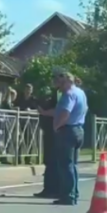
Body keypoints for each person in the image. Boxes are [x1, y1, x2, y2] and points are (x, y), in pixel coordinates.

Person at [51, 71, 88, 206]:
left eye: (60, 82)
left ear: (66, 81)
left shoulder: (68, 94)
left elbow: (65, 112)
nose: (58, 85)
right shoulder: (80, 93)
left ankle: (68, 196)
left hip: (67, 131)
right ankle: (74, 193)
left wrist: (57, 125)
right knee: (73, 165)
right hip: (79, 130)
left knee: (66, 165)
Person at [35, 70, 64, 198]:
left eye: (57, 79)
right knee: (49, 160)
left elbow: (58, 110)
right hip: (50, 129)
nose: (54, 81)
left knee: (53, 160)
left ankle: (53, 189)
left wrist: (43, 112)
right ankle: (49, 188)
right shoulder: (55, 93)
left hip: (55, 130)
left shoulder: (61, 93)